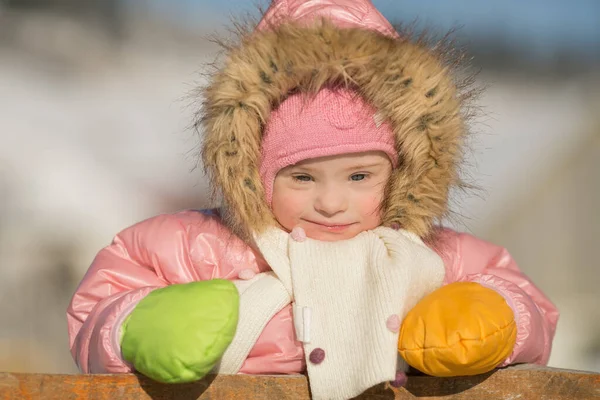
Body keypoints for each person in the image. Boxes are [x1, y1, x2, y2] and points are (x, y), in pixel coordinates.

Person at [67, 1, 559, 399]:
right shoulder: (204, 244)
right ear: (253, 177)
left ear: (404, 174)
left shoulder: (431, 254)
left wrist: (491, 317)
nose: (330, 201)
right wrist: (136, 325)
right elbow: (100, 302)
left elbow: (525, 302)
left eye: (359, 176)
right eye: (301, 177)